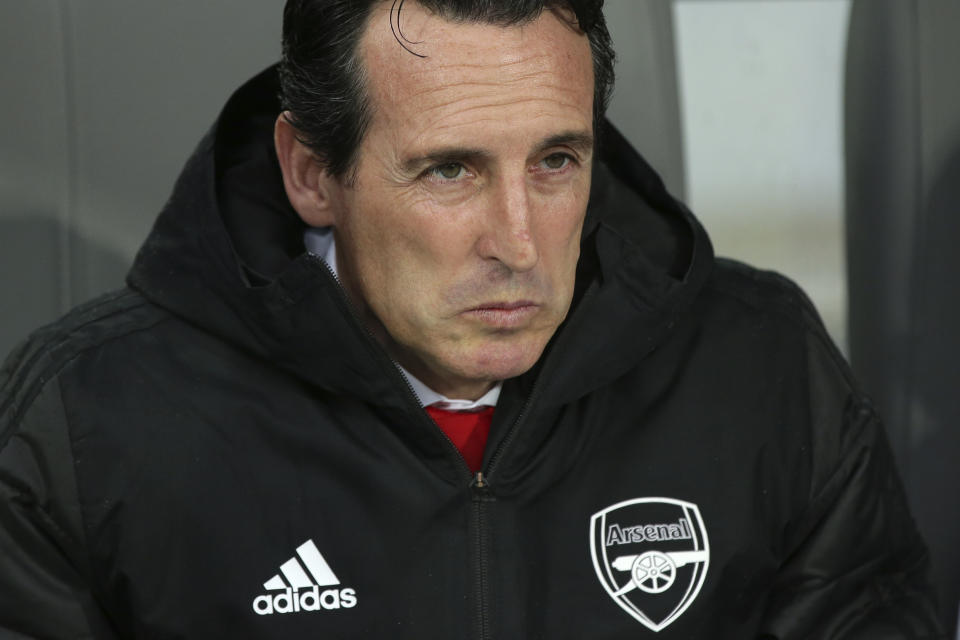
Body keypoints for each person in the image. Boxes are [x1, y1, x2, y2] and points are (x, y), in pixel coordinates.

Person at [0, 0, 945, 637]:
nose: (521, 244)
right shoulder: (84, 433)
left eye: (556, 162)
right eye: (450, 169)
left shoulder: (761, 367)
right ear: (311, 173)